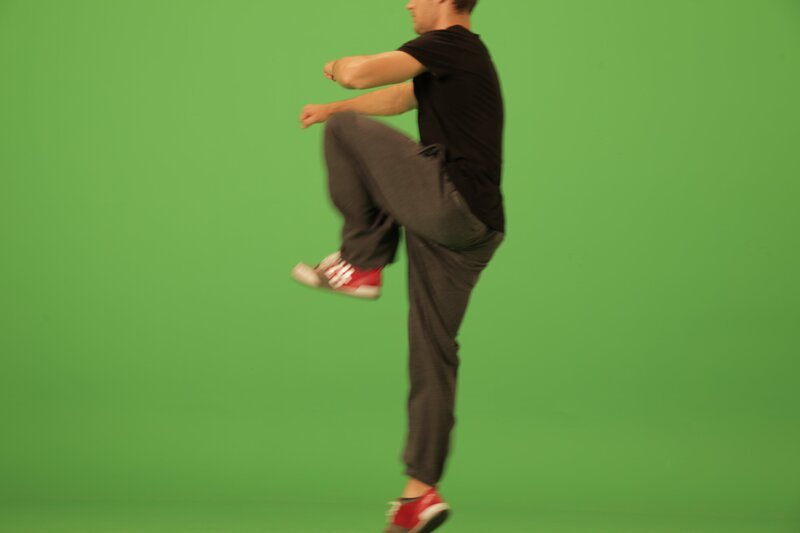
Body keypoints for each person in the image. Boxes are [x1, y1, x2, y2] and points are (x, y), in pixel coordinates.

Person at [293, 0, 504, 530]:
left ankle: (362, 263)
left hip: (451, 202)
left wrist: (338, 71)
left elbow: (362, 73)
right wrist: (336, 110)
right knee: (433, 352)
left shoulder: (449, 44)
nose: (408, 2)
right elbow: (397, 95)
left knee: (345, 138)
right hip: (476, 228)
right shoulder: (457, 62)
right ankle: (421, 494)